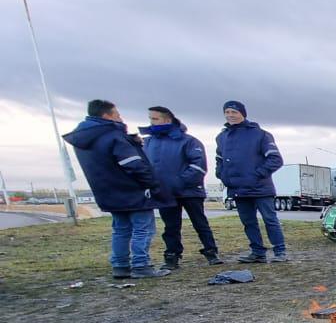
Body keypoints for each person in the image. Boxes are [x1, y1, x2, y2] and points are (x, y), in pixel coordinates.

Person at [63, 99, 172, 279]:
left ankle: (120, 266)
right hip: (133, 191)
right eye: (117, 114)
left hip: (108, 192)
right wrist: (152, 183)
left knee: (121, 229)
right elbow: (133, 165)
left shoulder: (85, 139)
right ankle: (141, 265)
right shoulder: (113, 136)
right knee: (142, 229)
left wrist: (132, 142)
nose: (120, 118)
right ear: (107, 115)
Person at [141, 106, 222, 269]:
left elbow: (198, 166)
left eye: (155, 118)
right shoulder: (148, 143)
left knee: (200, 223)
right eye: (150, 118)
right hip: (164, 193)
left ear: (167, 120)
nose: (151, 122)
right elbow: (144, 166)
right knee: (171, 226)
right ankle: (172, 256)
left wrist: (177, 183)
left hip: (190, 191)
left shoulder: (189, 141)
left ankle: (211, 252)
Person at [215, 101, 287, 262]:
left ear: (243, 114)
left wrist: (257, 175)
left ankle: (280, 252)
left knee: (270, 220)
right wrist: (222, 175)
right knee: (248, 222)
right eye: (227, 112)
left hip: (260, 188)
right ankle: (257, 252)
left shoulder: (261, 134)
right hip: (238, 188)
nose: (230, 115)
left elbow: (275, 159)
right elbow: (219, 160)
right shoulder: (221, 137)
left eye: (234, 112)